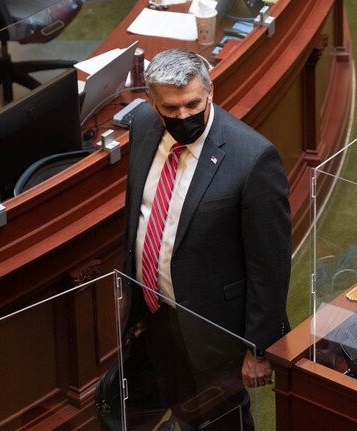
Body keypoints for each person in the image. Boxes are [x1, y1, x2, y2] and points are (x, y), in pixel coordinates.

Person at [121, 48, 291, 429]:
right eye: (171, 108)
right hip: (155, 311)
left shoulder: (254, 158)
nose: (183, 116)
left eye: (192, 104)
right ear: (152, 102)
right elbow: (139, 217)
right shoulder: (144, 128)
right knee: (183, 409)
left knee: (223, 420)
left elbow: (271, 264)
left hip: (215, 326)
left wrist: (258, 347)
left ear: (210, 92)